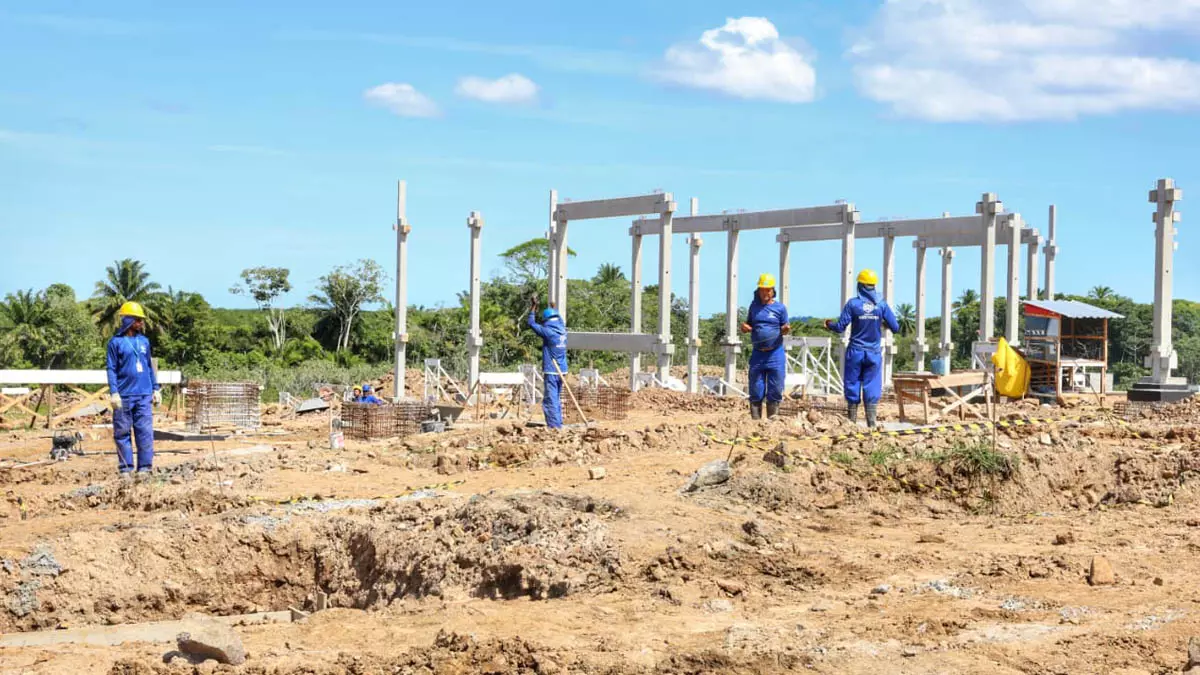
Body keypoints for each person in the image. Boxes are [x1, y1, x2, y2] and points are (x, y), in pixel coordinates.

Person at [824, 269, 899, 428]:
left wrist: (829, 324)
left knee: (853, 384)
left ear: (860, 285)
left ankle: (851, 424)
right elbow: (895, 327)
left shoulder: (853, 304)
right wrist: (880, 322)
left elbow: (840, 327)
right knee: (872, 385)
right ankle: (871, 424)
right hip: (873, 353)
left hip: (856, 352)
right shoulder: (881, 304)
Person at [106, 301, 161, 476]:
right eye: (138, 319)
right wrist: (114, 392)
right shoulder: (115, 343)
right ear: (128, 320)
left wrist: (156, 388)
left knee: (145, 432)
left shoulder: (144, 341)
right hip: (124, 395)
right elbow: (111, 368)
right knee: (122, 433)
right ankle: (126, 469)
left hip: (143, 395)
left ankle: (145, 468)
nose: (141, 323)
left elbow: (149, 366)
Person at [739, 274, 791, 419]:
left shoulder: (780, 308)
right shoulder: (754, 307)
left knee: (775, 389)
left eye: (768, 290)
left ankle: (772, 422)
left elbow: (785, 327)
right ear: (758, 290)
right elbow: (748, 324)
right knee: (756, 389)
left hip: (775, 354)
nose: (765, 293)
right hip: (758, 354)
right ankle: (755, 422)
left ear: (773, 291)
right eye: (762, 290)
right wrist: (744, 327)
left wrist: (785, 329)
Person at [526, 298, 567, 429]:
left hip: (552, 370)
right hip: (562, 370)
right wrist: (553, 307)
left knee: (551, 399)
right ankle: (558, 423)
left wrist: (533, 307)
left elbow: (531, 323)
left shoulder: (548, 333)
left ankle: (554, 426)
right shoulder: (562, 329)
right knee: (556, 397)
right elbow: (559, 318)